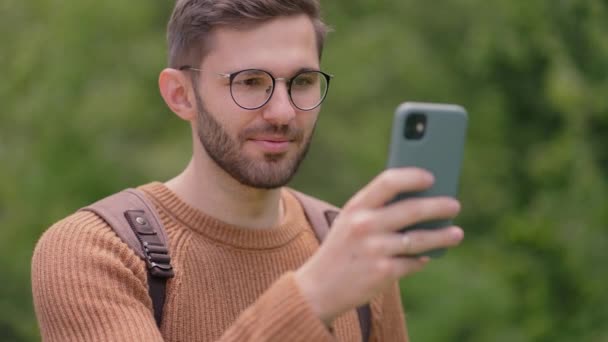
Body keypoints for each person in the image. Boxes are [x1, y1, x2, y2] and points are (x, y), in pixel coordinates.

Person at [31, 0, 464, 341]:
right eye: (251, 82)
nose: (283, 111)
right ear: (181, 95)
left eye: (302, 82)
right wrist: (312, 298)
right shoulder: (94, 252)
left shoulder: (348, 245)